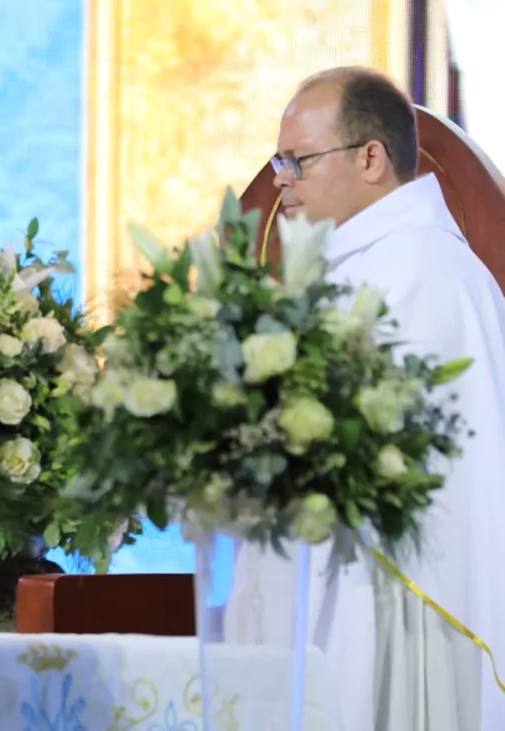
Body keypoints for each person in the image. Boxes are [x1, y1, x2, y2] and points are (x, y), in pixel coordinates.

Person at [226, 66, 505, 730]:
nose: (281, 181)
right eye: (279, 162)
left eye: (298, 161)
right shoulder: (359, 268)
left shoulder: (419, 271)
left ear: (371, 158)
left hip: (388, 607)